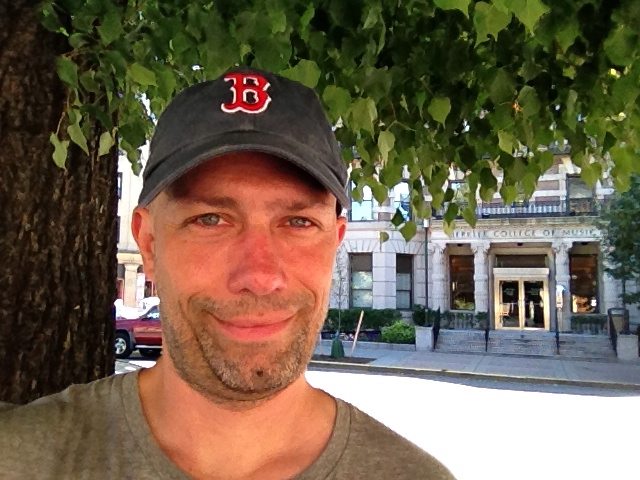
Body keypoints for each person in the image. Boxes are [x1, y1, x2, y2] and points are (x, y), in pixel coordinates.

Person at [0, 67, 455, 479]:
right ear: (150, 244)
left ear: (334, 242)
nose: (259, 275)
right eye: (210, 220)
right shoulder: (21, 459)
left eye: (298, 222)